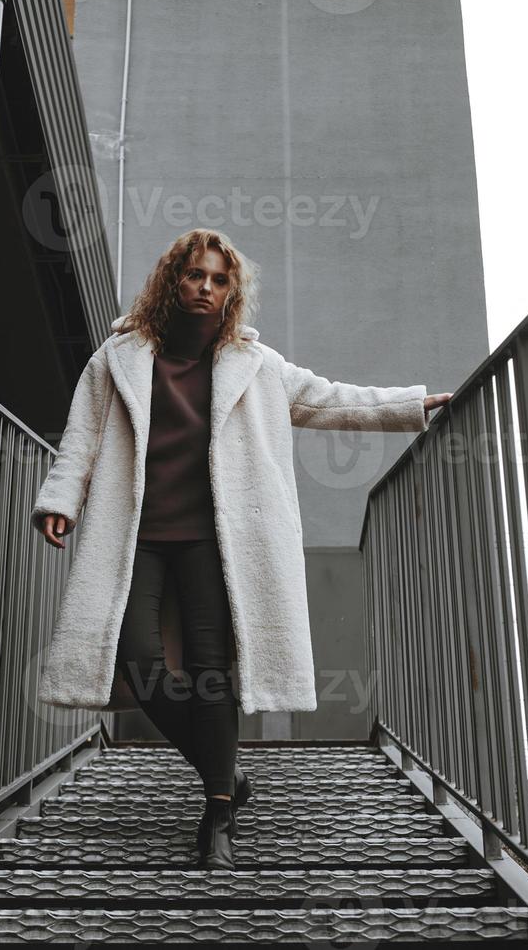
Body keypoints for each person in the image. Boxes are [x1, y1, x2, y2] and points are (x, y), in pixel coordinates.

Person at [36, 227, 453, 870]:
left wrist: (411, 405)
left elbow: (331, 400)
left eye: (219, 279)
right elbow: (82, 437)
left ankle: (218, 811)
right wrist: (61, 496)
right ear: (173, 281)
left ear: (233, 292)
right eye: (195, 275)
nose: (206, 288)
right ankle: (222, 765)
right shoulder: (117, 358)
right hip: (136, 534)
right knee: (136, 658)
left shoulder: (255, 365)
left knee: (211, 671)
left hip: (219, 539)